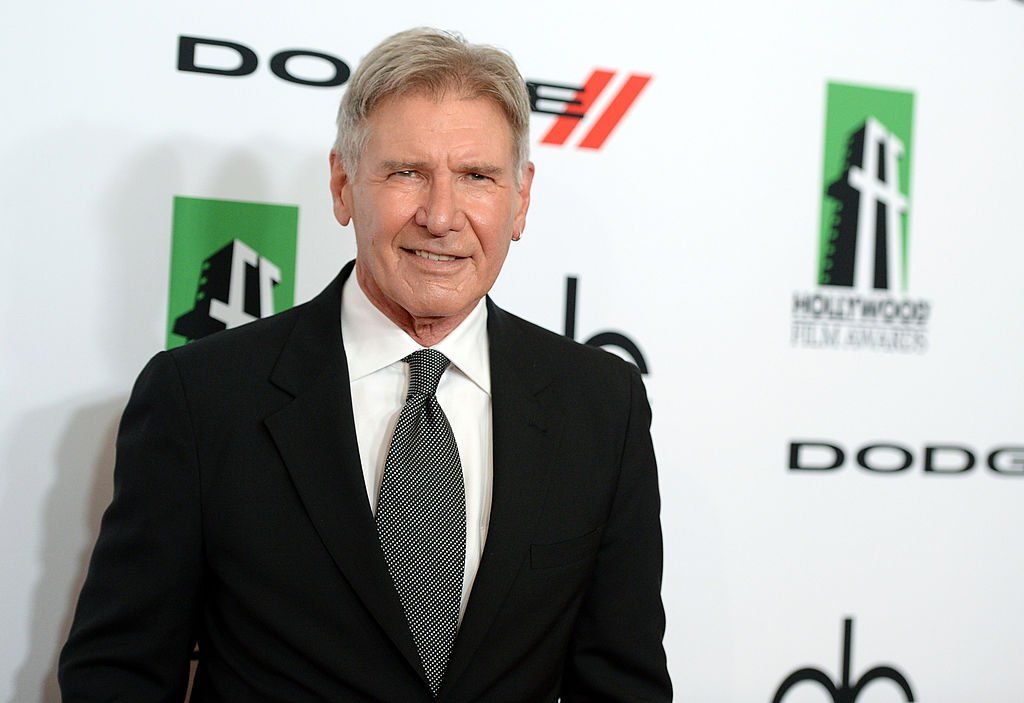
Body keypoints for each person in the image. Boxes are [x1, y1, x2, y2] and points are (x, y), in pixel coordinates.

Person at [59, 27, 672, 702]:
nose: (441, 216)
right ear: (343, 183)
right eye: (407, 172)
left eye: (477, 176)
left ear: (521, 198)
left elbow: (624, 685)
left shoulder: (600, 405)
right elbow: (119, 674)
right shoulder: (201, 398)